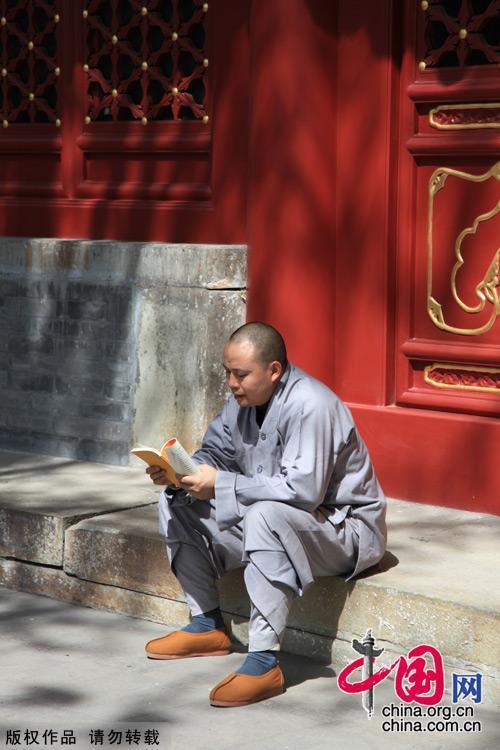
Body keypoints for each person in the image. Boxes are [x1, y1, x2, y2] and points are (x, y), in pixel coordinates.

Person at [145, 321, 387, 707]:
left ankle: (264, 661)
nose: (231, 382)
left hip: (343, 531)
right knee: (178, 502)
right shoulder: (240, 403)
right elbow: (216, 455)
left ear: (274, 370)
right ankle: (207, 624)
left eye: (240, 374)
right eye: (228, 372)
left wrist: (220, 485)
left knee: (264, 515)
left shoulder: (311, 405)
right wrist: (182, 474)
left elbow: (303, 493)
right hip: (284, 520)